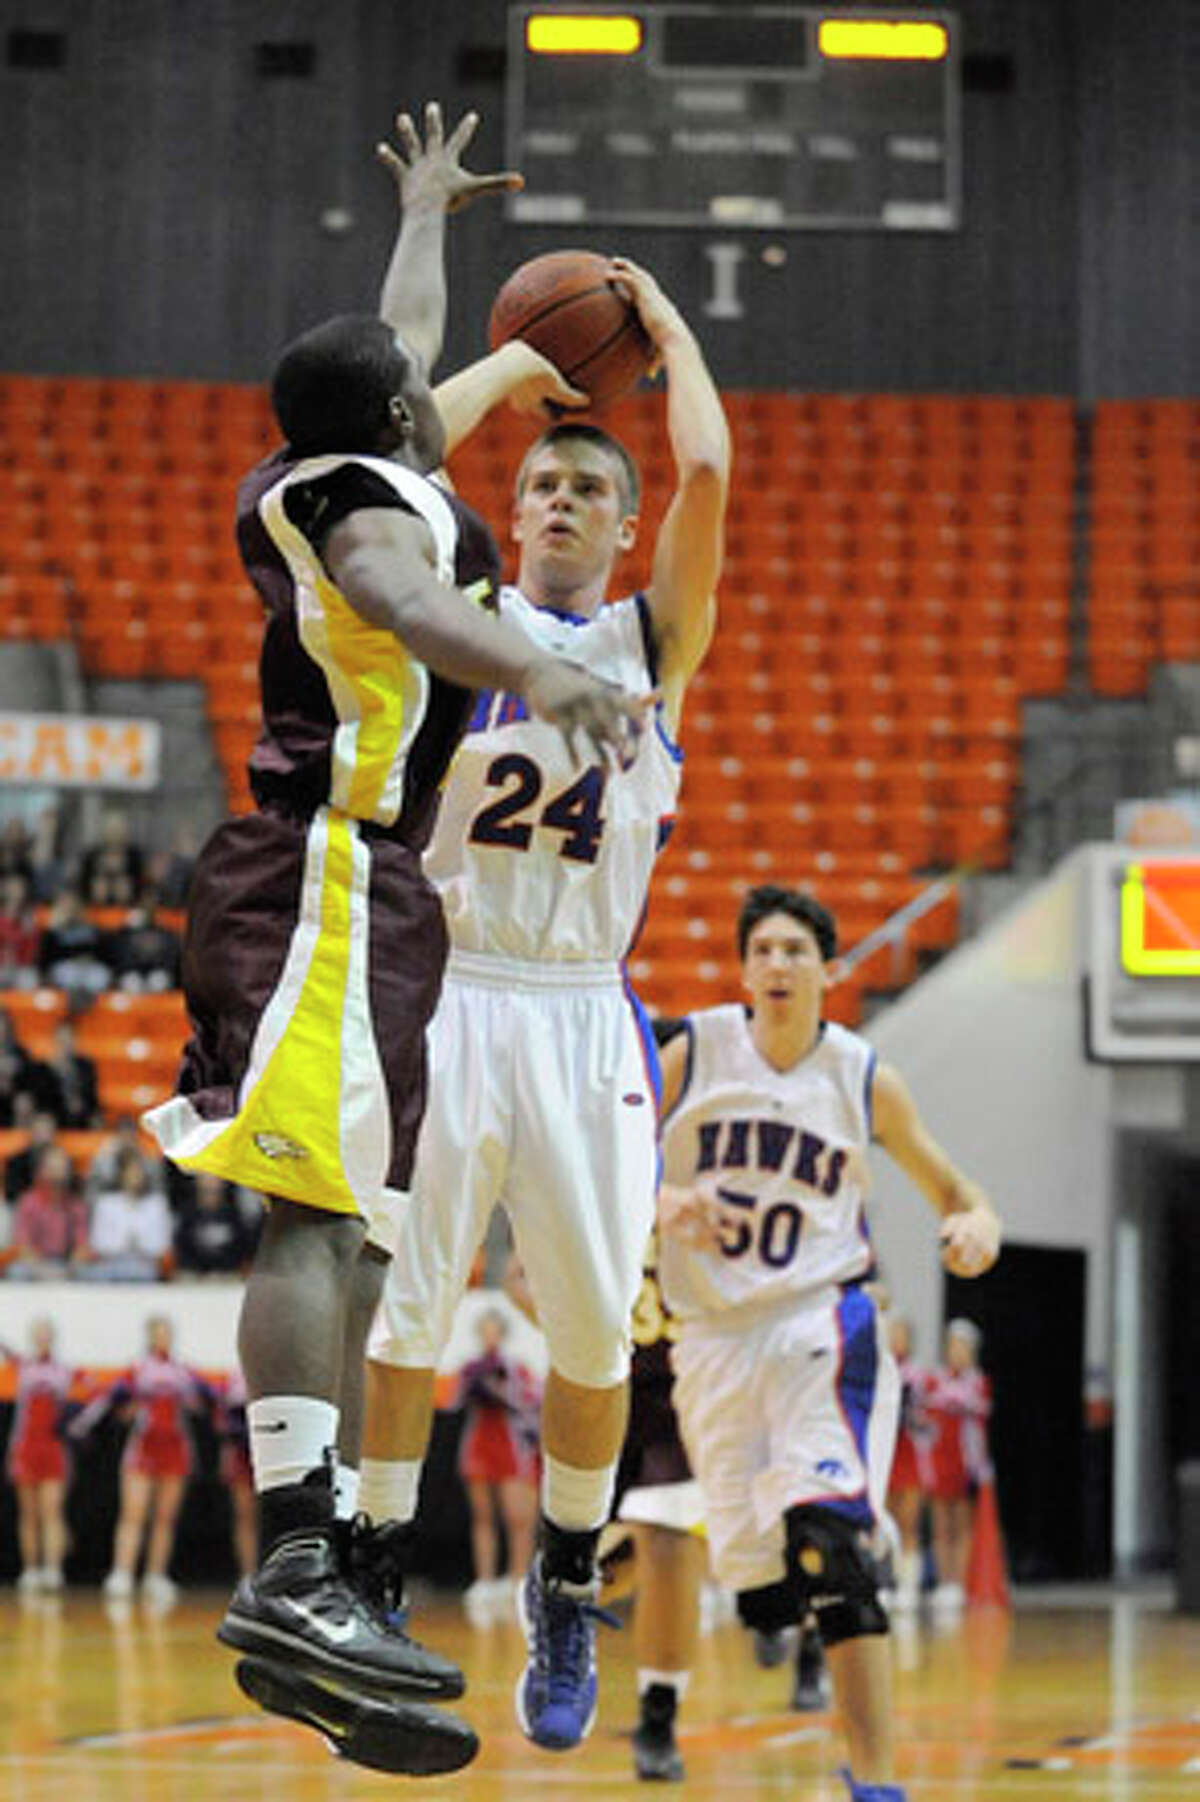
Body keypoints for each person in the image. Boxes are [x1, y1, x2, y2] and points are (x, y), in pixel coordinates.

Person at [141, 103, 641, 1778]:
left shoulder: (357, 442)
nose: (450, 398)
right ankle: (297, 1562)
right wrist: (540, 657)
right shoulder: (365, 505)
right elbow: (401, 589)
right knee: (314, 1219)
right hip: (321, 871)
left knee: (354, 1235)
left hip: (373, 896)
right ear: (397, 425)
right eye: (424, 397)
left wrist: (426, 213)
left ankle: (336, 1573)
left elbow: (406, 352)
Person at [363, 163, 729, 1752]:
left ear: (623, 522)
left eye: (593, 488)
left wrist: (660, 324)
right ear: (514, 515)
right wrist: (515, 354)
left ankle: (564, 1580)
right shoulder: (450, 614)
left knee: (593, 1341)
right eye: (547, 488)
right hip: (448, 991)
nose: (566, 502)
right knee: (400, 1319)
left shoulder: (651, 642)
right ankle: (372, 1575)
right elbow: (389, 455)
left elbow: (709, 463)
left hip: (582, 1015)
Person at [654, 885, 1002, 1802]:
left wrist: (977, 1228)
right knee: (761, 1591)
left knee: (836, 1557)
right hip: (711, 1343)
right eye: (762, 949)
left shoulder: (861, 1076)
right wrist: (660, 1203)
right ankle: (783, 1587)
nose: (777, 965)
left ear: (828, 970)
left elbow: (960, 1194)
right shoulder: (691, 1056)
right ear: (741, 969)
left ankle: (877, 1784)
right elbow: (602, 1156)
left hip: (820, 1321)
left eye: (795, 951)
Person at [70, 1314, 209, 1606]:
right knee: (133, 1514)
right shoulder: (138, 1368)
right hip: (143, 1448)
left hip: (175, 1448)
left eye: (168, 1333)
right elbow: (109, 1402)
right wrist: (100, 1420)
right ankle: (122, 1572)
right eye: (159, 1333)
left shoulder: (183, 1371)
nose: (164, 1338)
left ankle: (156, 1575)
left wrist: (196, 1405)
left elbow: (205, 1402)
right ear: (150, 1336)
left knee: (165, 1518)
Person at [455, 1306, 541, 1625]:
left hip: (511, 1445)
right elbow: (455, 1400)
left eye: (494, 1329)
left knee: (518, 1518)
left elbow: (530, 1402)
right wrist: (476, 1385)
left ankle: (518, 1580)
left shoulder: (517, 1368)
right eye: (484, 1329)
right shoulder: (471, 1367)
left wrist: (502, 1392)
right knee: (482, 1515)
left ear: (502, 1333)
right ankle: (486, 1581)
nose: (489, 1335)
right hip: (479, 1443)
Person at [920, 1318, 992, 1613]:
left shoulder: (978, 1381)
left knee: (961, 1522)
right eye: (953, 1346)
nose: (957, 1352)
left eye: (963, 1347)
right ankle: (943, 1581)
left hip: (965, 1460)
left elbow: (981, 1414)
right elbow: (925, 1417)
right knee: (940, 1524)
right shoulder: (934, 1379)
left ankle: (960, 1584)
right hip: (939, 1457)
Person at [2, 1317, 74, 1592]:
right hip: (26, 1446)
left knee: (51, 1511)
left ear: (53, 1338)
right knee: (29, 1512)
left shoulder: (63, 1370)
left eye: (47, 1334)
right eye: (38, 1334)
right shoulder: (23, 1366)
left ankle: (52, 1569)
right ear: (33, 1338)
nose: (43, 1339)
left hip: (53, 1445)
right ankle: (30, 1569)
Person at [883, 1313, 929, 1612]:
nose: (896, 1340)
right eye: (892, 1334)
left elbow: (924, 1418)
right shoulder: (879, 1369)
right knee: (882, 1524)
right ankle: (883, 1582)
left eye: (901, 1334)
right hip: (883, 1454)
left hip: (909, 1453)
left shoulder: (918, 1375)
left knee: (908, 1523)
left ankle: (908, 1586)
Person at [87, 1147, 173, 1280]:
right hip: (111, 1266)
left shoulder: (157, 1204)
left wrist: (136, 1242)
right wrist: (127, 1241)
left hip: (146, 1267)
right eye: (131, 1171)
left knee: (142, 1273)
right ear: (122, 1174)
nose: (135, 1176)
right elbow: (98, 1244)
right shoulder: (106, 1204)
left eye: (139, 1171)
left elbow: (161, 1246)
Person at [9, 1145, 91, 1276]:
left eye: (62, 1168)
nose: (58, 1173)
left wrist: (72, 1266)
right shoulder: (28, 1203)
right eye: (54, 1167)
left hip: (66, 1264)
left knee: (91, 1272)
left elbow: (81, 1246)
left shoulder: (76, 1205)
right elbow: (23, 1246)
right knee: (17, 1271)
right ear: (42, 1171)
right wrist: (42, 1270)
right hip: (35, 1264)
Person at [41, 1019, 101, 1130]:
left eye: (69, 1039)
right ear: (55, 1041)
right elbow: (44, 1103)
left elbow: (93, 1099)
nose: (66, 1045)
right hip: (55, 1122)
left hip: (83, 1121)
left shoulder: (86, 1067)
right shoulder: (44, 1070)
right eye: (62, 1040)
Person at [78, 807, 144, 907]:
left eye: (118, 829)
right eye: (112, 829)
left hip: (128, 909)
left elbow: (141, 885)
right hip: (95, 909)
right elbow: (82, 885)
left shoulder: (135, 856)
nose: (115, 834)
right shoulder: (91, 856)